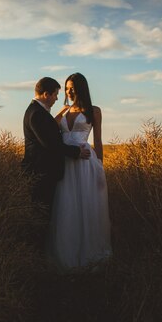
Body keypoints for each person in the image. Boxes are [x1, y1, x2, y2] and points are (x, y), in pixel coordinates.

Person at [47, 72, 112, 270]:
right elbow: (52, 130)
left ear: (81, 88)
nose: (69, 91)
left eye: (72, 87)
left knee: (87, 205)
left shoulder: (94, 110)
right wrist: (59, 113)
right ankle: (66, 253)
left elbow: (98, 141)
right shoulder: (64, 112)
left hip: (85, 163)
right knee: (67, 205)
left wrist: (100, 167)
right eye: (67, 88)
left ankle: (89, 252)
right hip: (66, 161)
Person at [21, 77, 91, 240]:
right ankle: (36, 253)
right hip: (40, 173)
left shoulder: (37, 112)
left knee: (44, 215)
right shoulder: (37, 114)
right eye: (56, 94)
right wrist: (76, 152)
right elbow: (51, 144)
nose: (57, 98)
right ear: (46, 94)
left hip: (43, 172)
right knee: (41, 216)